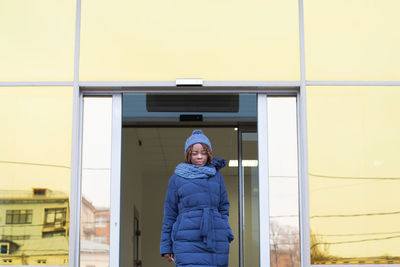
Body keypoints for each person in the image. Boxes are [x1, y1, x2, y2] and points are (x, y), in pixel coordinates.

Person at [160, 129, 234, 267]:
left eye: (203, 153)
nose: (199, 157)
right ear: (188, 154)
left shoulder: (217, 176)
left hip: (215, 238)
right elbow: (170, 213)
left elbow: (223, 207)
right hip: (186, 240)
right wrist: (166, 246)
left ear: (209, 154)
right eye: (195, 153)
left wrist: (226, 230)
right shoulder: (177, 178)